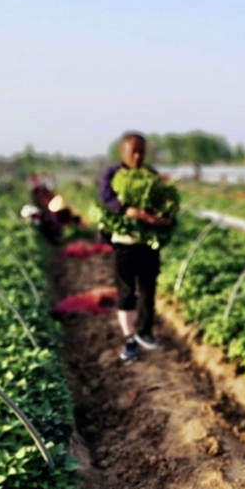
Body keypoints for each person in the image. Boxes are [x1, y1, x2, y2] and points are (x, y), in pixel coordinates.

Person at [100, 132, 171, 362]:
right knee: (127, 291)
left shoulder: (151, 175)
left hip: (148, 243)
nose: (138, 156)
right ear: (123, 152)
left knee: (148, 289)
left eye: (142, 151)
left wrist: (160, 218)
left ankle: (145, 331)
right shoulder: (113, 174)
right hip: (125, 244)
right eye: (134, 151)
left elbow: (163, 202)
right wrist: (127, 210)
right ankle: (129, 337)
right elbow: (106, 198)